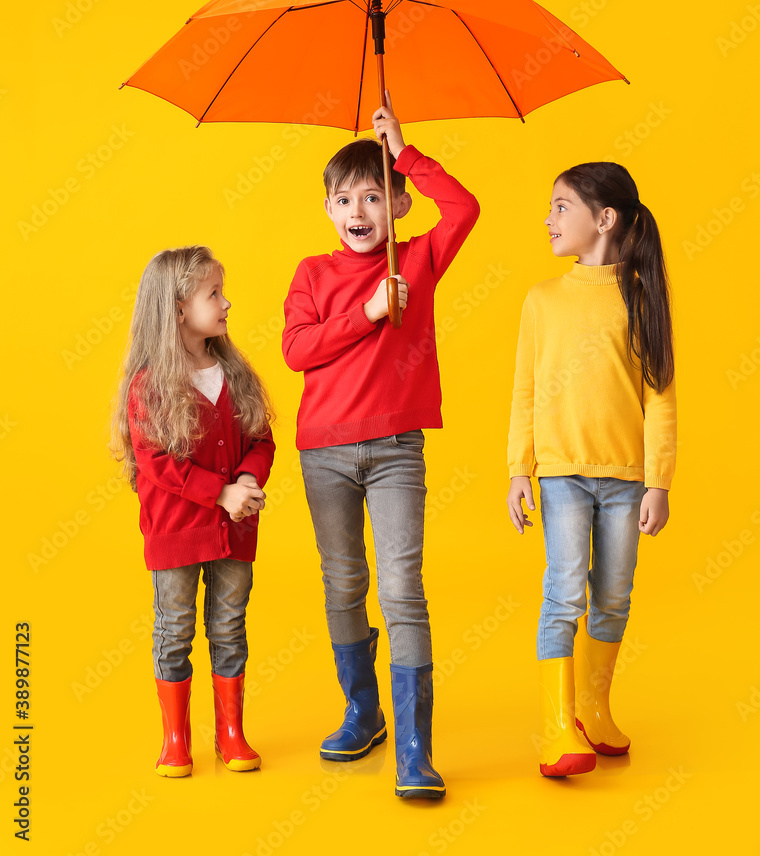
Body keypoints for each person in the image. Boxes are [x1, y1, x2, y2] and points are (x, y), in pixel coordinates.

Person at [282, 93, 479, 799]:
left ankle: (416, 751)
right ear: (329, 210)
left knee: (401, 590)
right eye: (344, 199)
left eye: (375, 196)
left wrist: (406, 153)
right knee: (344, 583)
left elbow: (464, 209)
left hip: (397, 448)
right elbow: (296, 351)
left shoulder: (418, 258)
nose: (359, 211)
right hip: (324, 453)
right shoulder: (312, 274)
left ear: (398, 205)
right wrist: (367, 314)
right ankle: (363, 710)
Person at [506, 162, 676, 777]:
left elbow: (660, 396)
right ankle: (557, 728)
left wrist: (658, 480)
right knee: (563, 592)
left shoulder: (642, 295)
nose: (547, 218)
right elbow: (524, 391)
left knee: (613, 595)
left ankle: (592, 710)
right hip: (561, 475)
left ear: (603, 219)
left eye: (560, 207)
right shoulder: (542, 299)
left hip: (627, 477)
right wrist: (519, 469)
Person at [112, 245, 275, 777]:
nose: (227, 302)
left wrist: (247, 479)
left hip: (234, 535)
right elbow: (155, 463)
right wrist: (220, 494)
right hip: (177, 534)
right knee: (175, 629)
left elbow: (261, 438)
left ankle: (230, 733)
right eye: (214, 293)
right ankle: (175, 739)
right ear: (178, 307)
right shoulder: (149, 385)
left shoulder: (234, 371)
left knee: (229, 627)